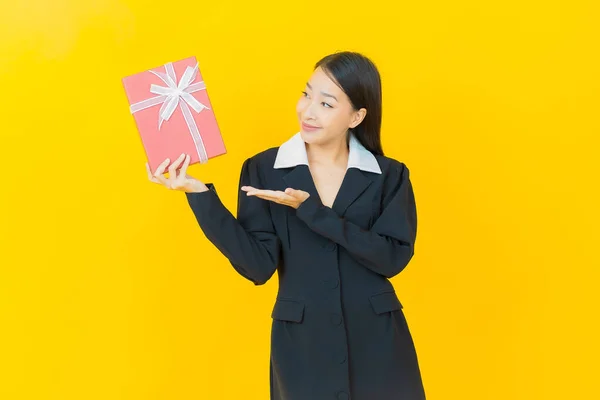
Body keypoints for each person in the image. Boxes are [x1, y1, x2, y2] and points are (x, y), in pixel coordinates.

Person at [146, 51, 426, 400]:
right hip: (302, 345)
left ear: (356, 116)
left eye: (326, 103)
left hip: (378, 344)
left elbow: (392, 258)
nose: (308, 111)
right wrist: (198, 194)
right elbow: (258, 266)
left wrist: (313, 213)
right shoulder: (264, 169)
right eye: (307, 94)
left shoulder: (389, 175)